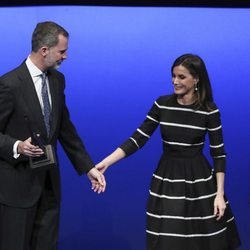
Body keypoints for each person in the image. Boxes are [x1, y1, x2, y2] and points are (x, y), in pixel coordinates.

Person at [96, 54, 241, 250]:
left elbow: (219, 154)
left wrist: (219, 194)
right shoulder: (162, 104)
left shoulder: (209, 110)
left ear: (196, 78)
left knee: (202, 240)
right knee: (168, 238)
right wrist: (107, 162)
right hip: (167, 180)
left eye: (181, 77)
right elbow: (138, 138)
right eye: (173, 76)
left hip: (200, 183)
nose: (175, 81)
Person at [0, 21, 106, 250]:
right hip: (17, 188)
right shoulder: (9, 84)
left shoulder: (58, 81)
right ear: (44, 50)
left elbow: (65, 129)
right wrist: (17, 146)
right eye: (62, 51)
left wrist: (89, 167)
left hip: (49, 184)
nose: (65, 57)